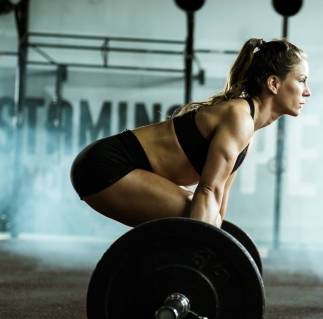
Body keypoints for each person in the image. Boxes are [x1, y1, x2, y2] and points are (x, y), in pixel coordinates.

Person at [70, 38, 310, 228]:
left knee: (208, 219)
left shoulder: (246, 126)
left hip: (108, 165)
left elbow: (219, 204)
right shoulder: (239, 118)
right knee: (193, 214)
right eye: (301, 80)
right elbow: (207, 192)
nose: (307, 92)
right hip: (103, 166)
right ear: (274, 84)